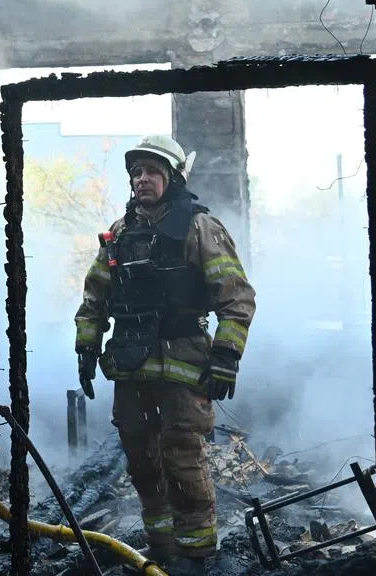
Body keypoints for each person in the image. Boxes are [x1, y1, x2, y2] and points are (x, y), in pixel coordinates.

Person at [73, 134, 256, 576]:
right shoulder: (119, 234)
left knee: (182, 458)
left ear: (172, 177)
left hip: (184, 364)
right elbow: (95, 296)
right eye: (136, 172)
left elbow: (236, 297)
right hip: (131, 366)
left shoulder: (199, 227)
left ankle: (196, 555)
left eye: (152, 171)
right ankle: (160, 545)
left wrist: (226, 356)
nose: (142, 180)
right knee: (141, 460)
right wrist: (86, 346)